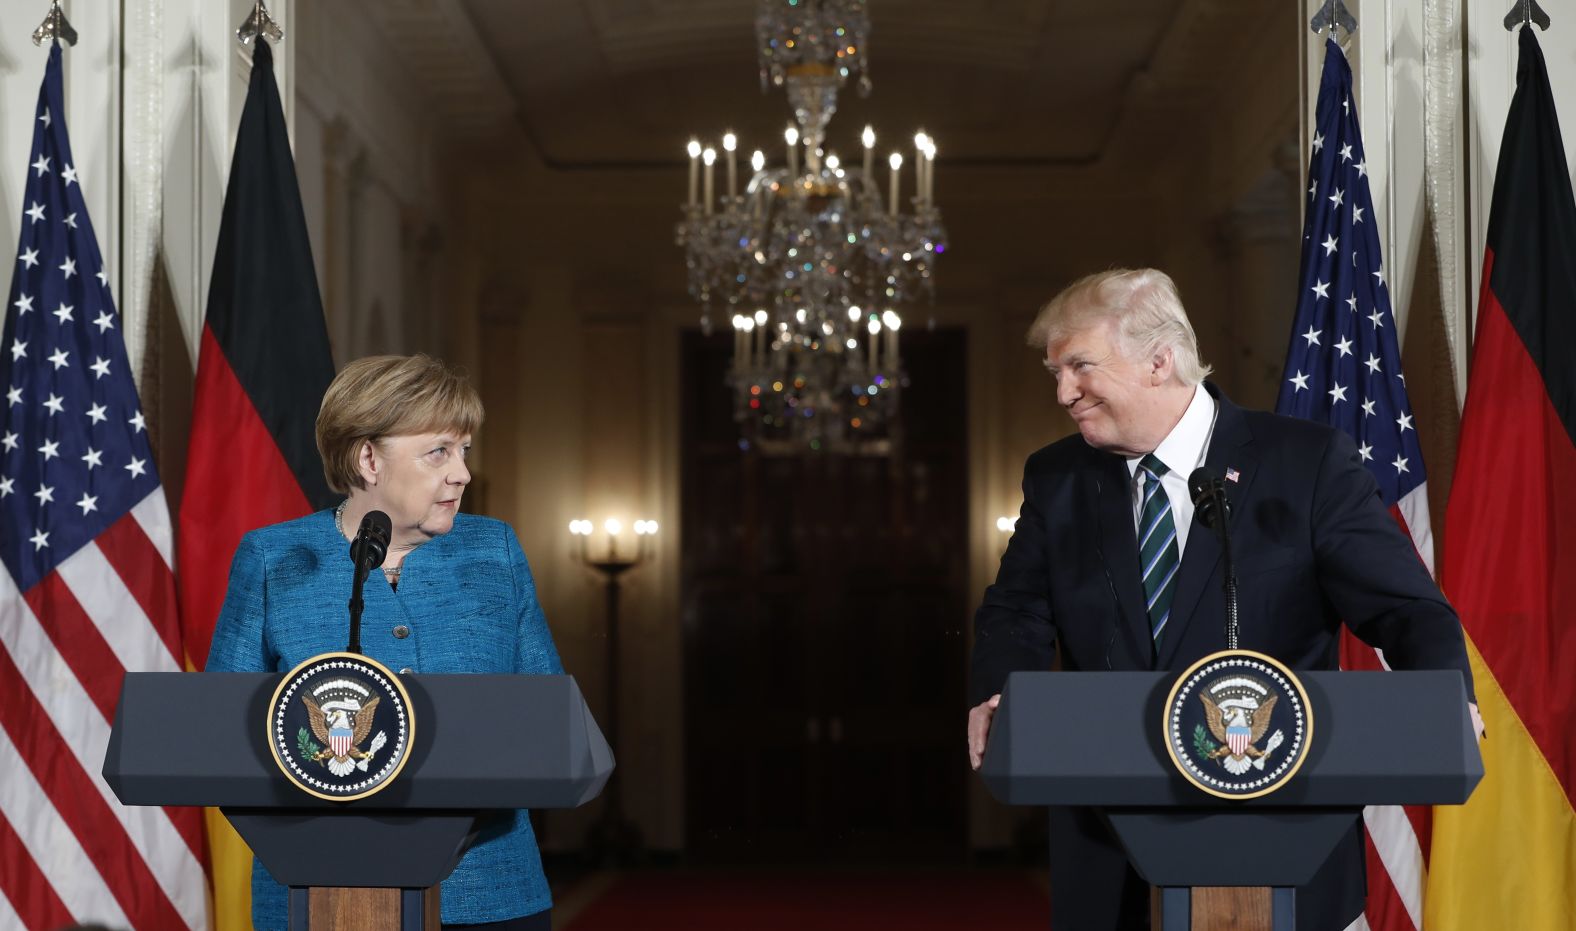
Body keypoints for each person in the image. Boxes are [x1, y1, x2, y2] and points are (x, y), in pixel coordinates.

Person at [965, 269, 1479, 930]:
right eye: (1054, 372)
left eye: (1079, 366)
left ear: (1158, 361)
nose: (1064, 391)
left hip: (1283, 838)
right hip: (1109, 847)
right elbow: (1018, 609)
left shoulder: (1306, 464)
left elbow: (1404, 608)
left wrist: (1444, 697)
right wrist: (1003, 690)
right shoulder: (1058, 476)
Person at [207, 354, 562, 931]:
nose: (462, 473)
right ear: (368, 458)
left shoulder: (493, 551)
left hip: (489, 895)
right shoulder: (274, 558)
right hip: (311, 896)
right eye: (438, 452)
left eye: (464, 450)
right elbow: (220, 731)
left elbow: (547, 714)